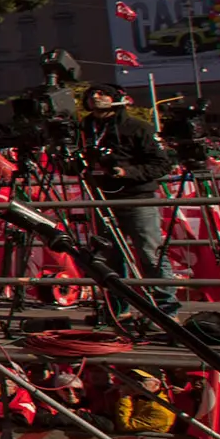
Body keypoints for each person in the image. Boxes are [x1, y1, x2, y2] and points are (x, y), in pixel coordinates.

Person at [78, 83, 176, 314]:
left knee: (150, 255)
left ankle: (167, 310)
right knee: (109, 257)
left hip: (137, 199)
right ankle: (118, 308)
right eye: (92, 94)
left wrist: (126, 172)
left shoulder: (137, 127)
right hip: (101, 199)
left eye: (102, 93)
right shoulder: (84, 129)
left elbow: (162, 164)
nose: (96, 96)